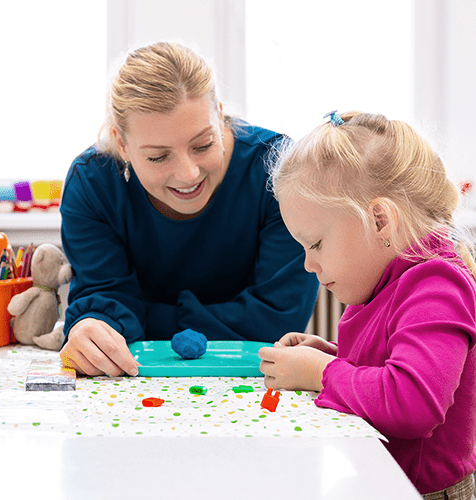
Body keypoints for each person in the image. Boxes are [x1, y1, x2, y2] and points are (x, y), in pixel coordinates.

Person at [59, 41, 319, 378]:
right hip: (136, 383)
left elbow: (278, 318)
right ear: (121, 144)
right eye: (158, 156)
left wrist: (142, 319)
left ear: (220, 114)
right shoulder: (92, 184)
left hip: (257, 379)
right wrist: (92, 329)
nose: (188, 174)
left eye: (203, 144)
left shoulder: (280, 169)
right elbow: (104, 302)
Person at [259, 110, 476, 499]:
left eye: (316, 244)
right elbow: (396, 358)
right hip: (385, 482)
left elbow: (412, 402)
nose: (309, 264)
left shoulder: (437, 285)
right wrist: (334, 355)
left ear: (378, 220)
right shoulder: (388, 278)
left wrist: (323, 373)